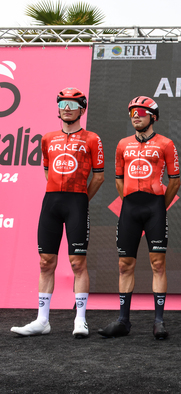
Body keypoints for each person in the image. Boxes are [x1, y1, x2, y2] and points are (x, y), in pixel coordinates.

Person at [11, 87, 104, 338]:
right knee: (45, 262)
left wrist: (82, 198)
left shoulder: (92, 139)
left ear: (82, 109)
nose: (66, 108)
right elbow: (47, 169)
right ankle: (42, 321)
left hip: (77, 202)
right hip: (51, 202)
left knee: (77, 262)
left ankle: (80, 319)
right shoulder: (48, 138)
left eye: (72, 104)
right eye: (62, 103)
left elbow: (99, 176)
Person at [98, 96, 180, 339]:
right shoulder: (123, 144)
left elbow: (174, 181)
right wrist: (129, 203)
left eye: (142, 112)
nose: (136, 115)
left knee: (157, 264)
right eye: (133, 112)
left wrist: (159, 207)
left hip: (155, 207)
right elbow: (118, 179)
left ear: (153, 116)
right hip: (130, 209)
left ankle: (158, 321)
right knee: (125, 265)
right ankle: (123, 321)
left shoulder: (166, 143)